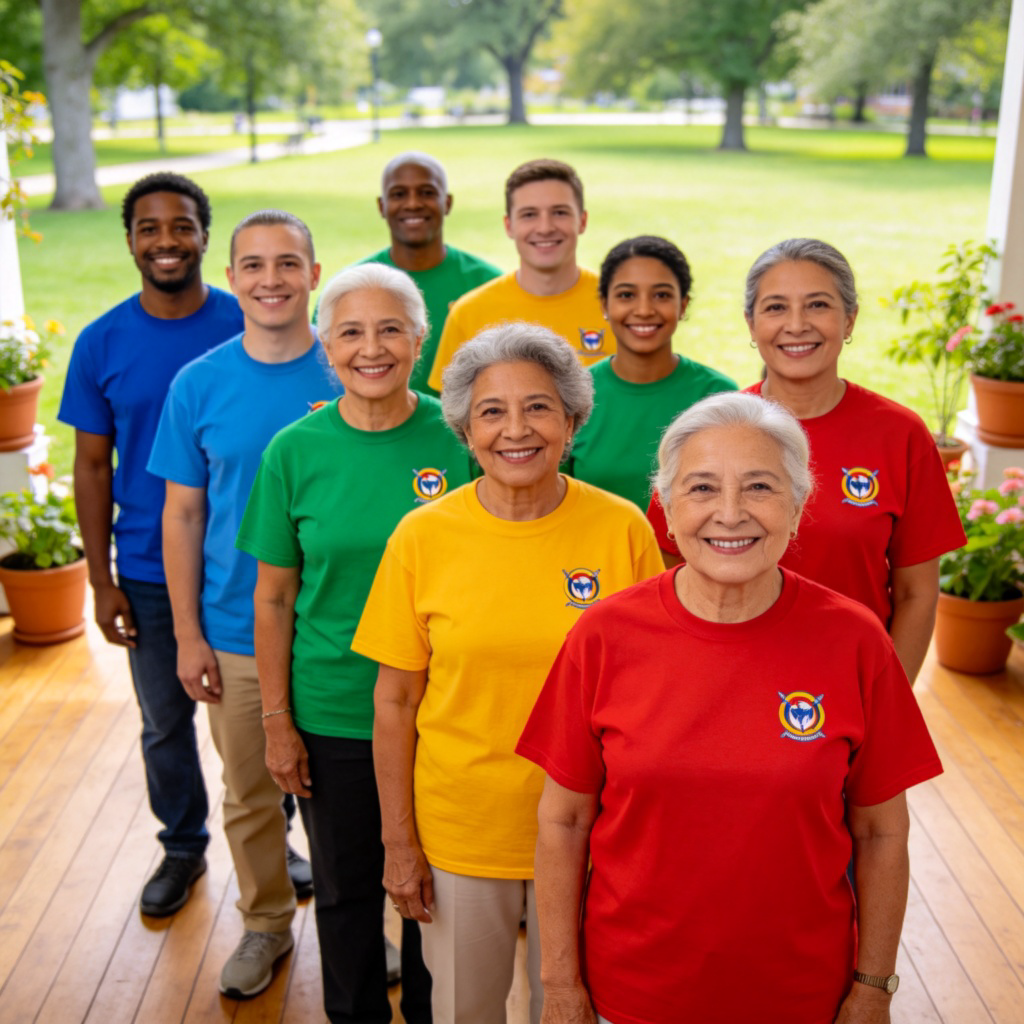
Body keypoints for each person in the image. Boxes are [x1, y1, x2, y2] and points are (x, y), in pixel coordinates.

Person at [519, 391, 944, 1024]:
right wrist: (559, 984)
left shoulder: (856, 642)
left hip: (802, 996)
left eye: (760, 488)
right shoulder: (603, 637)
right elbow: (563, 823)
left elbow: (882, 832)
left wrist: (873, 987)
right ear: (665, 506)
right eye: (701, 489)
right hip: (633, 993)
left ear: (799, 507)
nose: (730, 514)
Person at [351, 324, 663, 1024]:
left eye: (539, 408)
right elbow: (395, 702)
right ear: (463, 429)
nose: (515, 430)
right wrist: (399, 844)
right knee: (466, 1011)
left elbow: (650, 697)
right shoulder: (421, 538)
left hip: (594, 831)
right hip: (463, 830)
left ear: (574, 420)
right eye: (491, 411)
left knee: (577, 1008)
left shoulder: (623, 531)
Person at [236, 263, 469, 1023]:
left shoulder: (462, 437)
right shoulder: (294, 451)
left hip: (444, 713)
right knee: (345, 892)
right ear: (324, 345)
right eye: (351, 332)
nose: (372, 348)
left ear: (420, 338)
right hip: (334, 710)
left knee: (436, 891)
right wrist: (276, 722)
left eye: (390, 328)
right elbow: (272, 597)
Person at [147, 210, 335, 998]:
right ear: (232, 279)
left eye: (288, 263)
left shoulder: (352, 369)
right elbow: (184, 514)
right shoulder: (199, 384)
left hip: (339, 632)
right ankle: (264, 926)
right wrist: (187, 634)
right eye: (253, 266)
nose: (271, 280)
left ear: (314, 276)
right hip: (232, 629)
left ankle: (364, 927)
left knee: (352, 794)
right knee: (252, 793)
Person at [646, 238, 965, 684]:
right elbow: (666, 563)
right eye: (776, 307)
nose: (796, 325)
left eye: (817, 305)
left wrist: (888, 701)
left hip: (847, 678)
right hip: (721, 676)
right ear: (751, 324)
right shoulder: (711, 432)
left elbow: (917, 592)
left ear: (849, 319)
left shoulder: (900, 435)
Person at [57, 172, 243, 917]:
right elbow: (93, 463)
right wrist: (99, 581)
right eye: (149, 228)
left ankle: (276, 838)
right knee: (166, 719)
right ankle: (182, 847)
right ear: (130, 240)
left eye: (181, 226)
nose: (165, 241)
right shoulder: (101, 341)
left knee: (261, 716)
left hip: (241, 565)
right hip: (144, 568)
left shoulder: (249, 322)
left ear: (204, 234)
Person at [566, 235, 737, 509]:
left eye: (661, 295)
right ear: (604, 304)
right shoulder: (573, 394)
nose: (644, 310)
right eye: (626, 295)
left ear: (683, 305)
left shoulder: (718, 396)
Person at [426, 159, 612, 391]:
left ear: (582, 221)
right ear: (508, 225)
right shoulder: (469, 313)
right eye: (529, 214)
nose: (545, 227)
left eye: (560, 212)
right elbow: (451, 416)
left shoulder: (617, 308)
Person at [358, 151, 502, 396]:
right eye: (399, 194)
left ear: (447, 203)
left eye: (426, 192)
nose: (413, 203)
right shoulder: (351, 288)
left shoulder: (488, 283)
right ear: (382, 206)